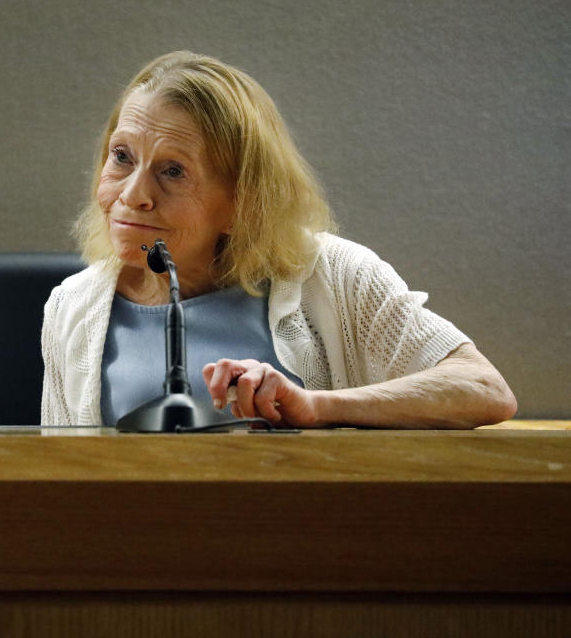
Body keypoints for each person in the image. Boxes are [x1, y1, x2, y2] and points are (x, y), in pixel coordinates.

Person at [40, 51, 516, 429]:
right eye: (121, 157)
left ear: (242, 201)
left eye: (172, 171)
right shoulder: (73, 306)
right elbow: (59, 478)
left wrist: (316, 407)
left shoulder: (334, 277)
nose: (133, 194)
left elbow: (484, 388)